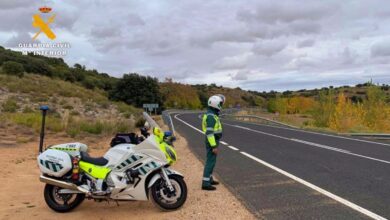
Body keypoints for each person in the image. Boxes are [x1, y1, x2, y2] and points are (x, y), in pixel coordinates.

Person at [201, 94, 225, 190]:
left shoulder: (212, 114)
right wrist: (214, 146)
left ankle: (209, 179)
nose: (221, 105)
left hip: (213, 141)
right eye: (220, 103)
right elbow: (210, 133)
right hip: (212, 141)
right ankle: (205, 183)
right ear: (216, 104)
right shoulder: (211, 116)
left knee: (212, 161)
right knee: (210, 162)